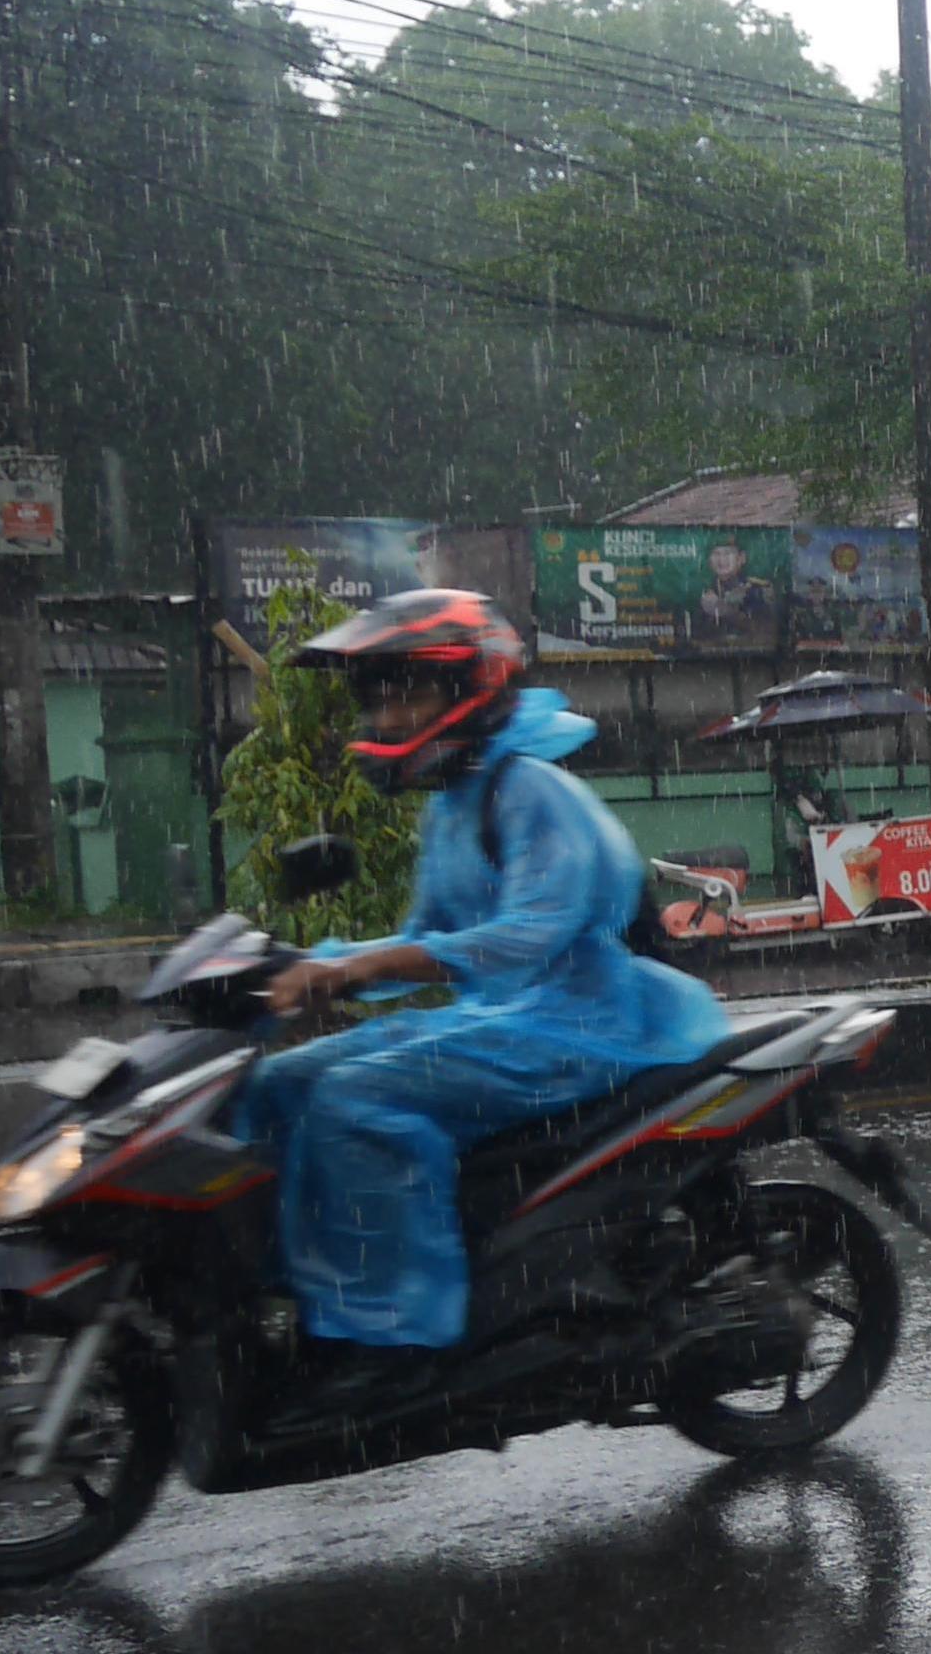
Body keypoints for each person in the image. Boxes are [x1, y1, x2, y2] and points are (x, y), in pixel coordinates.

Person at [232, 592, 730, 1407]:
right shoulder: (452, 806)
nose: (388, 713)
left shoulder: (532, 790)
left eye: (408, 692)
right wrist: (295, 968)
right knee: (281, 1083)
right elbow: (428, 938)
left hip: (579, 1026)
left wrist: (354, 971)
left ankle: (397, 1332)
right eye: (379, 695)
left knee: (353, 1100)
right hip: (501, 1020)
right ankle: (309, 1298)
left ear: (472, 686)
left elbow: (520, 940)